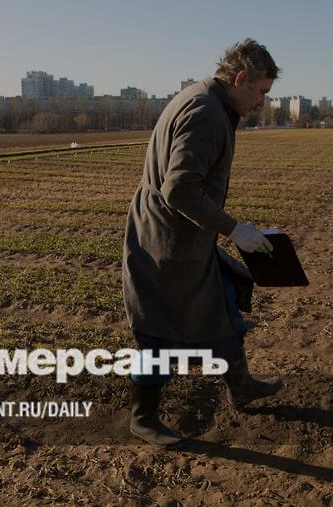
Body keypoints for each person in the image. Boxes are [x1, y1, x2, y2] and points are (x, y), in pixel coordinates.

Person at [121, 38, 285, 447]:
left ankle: (241, 385)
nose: (262, 102)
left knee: (223, 301)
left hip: (188, 239)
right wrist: (234, 229)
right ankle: (143, 418)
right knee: (158, 331)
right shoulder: (206, 113)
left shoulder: (204, 99)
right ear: (241, 78)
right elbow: (179, 189)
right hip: (165, 244)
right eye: (261, 92)